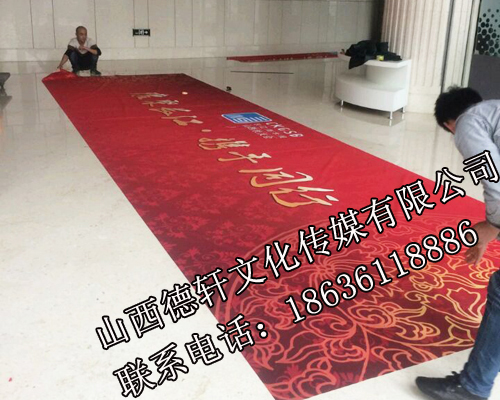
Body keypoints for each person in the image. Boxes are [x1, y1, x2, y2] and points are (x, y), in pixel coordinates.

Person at [416, 87, 500, 400]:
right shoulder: (494, 110)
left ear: (448, 124)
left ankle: (472, 388)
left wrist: (492, 225)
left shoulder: (467, 123)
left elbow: (494, 179)